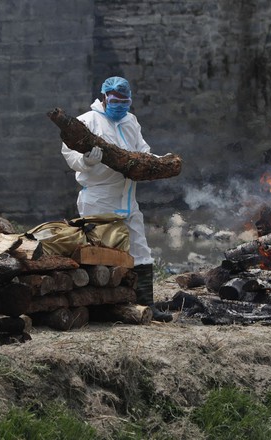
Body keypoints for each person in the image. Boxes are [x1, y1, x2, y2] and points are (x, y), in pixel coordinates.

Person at [61, 76, 173, 322]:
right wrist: (87, 161)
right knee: (101, 254)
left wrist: (156, 160)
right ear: (104, 97)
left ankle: (147, 305)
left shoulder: (130, 120)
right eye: (115, 100)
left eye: (125, 100)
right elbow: (71, 157)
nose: (120, 104)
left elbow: (141, 149)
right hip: (100, 199)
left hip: (128, 197)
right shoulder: (86, 122)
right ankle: (101, 307)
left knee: (140, 250)